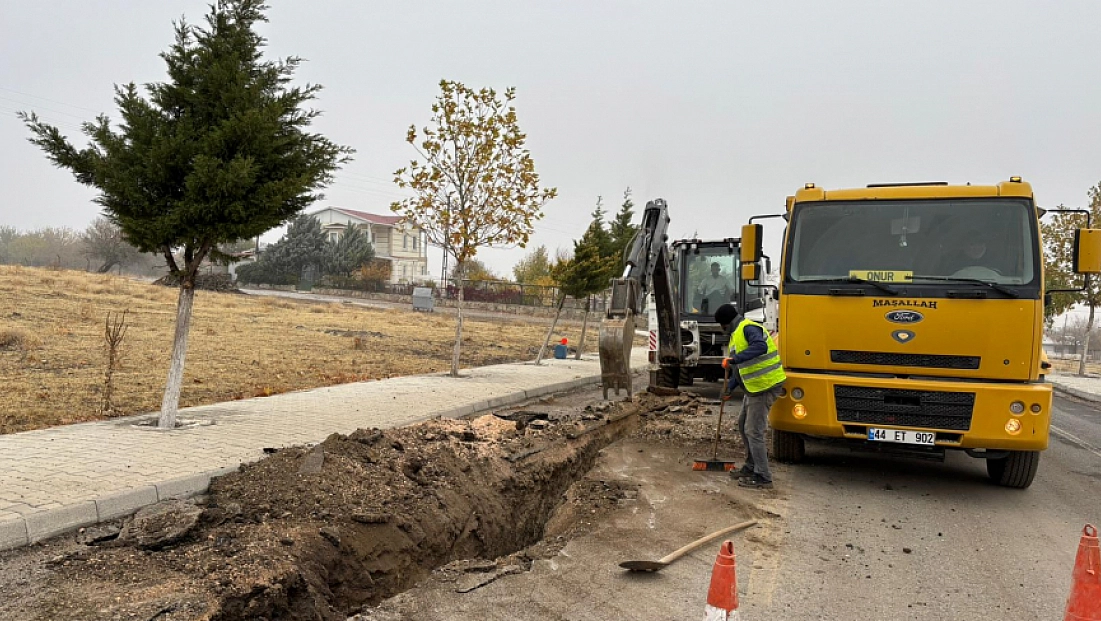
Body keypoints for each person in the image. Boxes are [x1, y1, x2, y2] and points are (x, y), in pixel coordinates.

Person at [714, 303, 786, 490]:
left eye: (722, 326)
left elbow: (760, 346)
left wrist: (734, 359)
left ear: (727, 323)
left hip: (765, 385)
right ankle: (751, 466)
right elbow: (740, 369)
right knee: (743, 424)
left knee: (753, 430)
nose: (722, 330)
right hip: (754, 387)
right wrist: (729, 387)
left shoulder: (748, 328)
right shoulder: (735, 337)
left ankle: (763, 476)